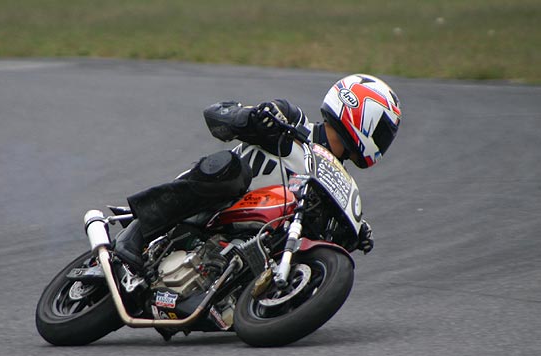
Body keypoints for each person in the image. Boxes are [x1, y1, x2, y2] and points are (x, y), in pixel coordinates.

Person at [115, 74, 402, 271]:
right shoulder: (293, 121)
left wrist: (352, 234)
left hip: (247, 239)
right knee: (232, 168)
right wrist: (252, 118)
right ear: (358, 112)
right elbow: (216, 114)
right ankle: (136, 232)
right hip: (212, 203)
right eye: (381, 131)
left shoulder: (337, 184)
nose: (382, 141)